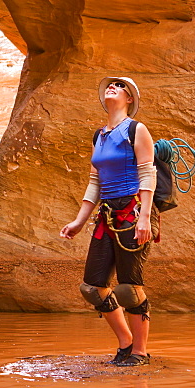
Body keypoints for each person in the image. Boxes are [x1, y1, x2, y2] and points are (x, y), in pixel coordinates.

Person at [60, 76, 159, 366]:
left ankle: (140, 352)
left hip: (134, 211)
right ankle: (125, 343)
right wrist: (79, 221)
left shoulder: (136, 130)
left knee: (128, 287)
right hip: (107, 214)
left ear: (129, 99)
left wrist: (144, 218)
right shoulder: (99, 135)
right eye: (109, 86)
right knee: (92, 287)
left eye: (120, 86)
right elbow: (95, 181)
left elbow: (147, 174)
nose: (112, 87)